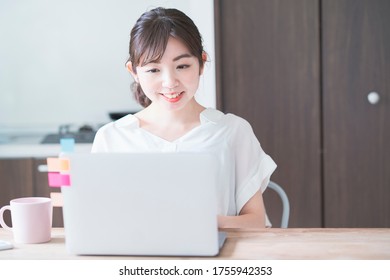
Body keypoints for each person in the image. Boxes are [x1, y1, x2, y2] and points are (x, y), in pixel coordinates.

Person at [92, 7, 277, 229]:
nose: (170, 82)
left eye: (182, 66)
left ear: (201, 63)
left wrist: (204, 224)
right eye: (153, 70)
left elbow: (256, 221)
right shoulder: (112, 138)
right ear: (134, 71)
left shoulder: (233, 130)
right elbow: (99, 221)